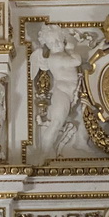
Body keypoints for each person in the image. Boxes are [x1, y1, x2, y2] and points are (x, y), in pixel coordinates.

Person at [30, 24, 82, 162]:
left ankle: (46, 151)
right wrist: (71, 49)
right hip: (63, 92)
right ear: (47, 44)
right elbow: (77, 61)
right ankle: (44, 154)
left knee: (57, 123)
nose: (57, 44)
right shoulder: (56, 57)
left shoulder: (59, 54)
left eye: (59, 39)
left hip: (69, 92)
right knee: (56, 123)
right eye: (53, 43)